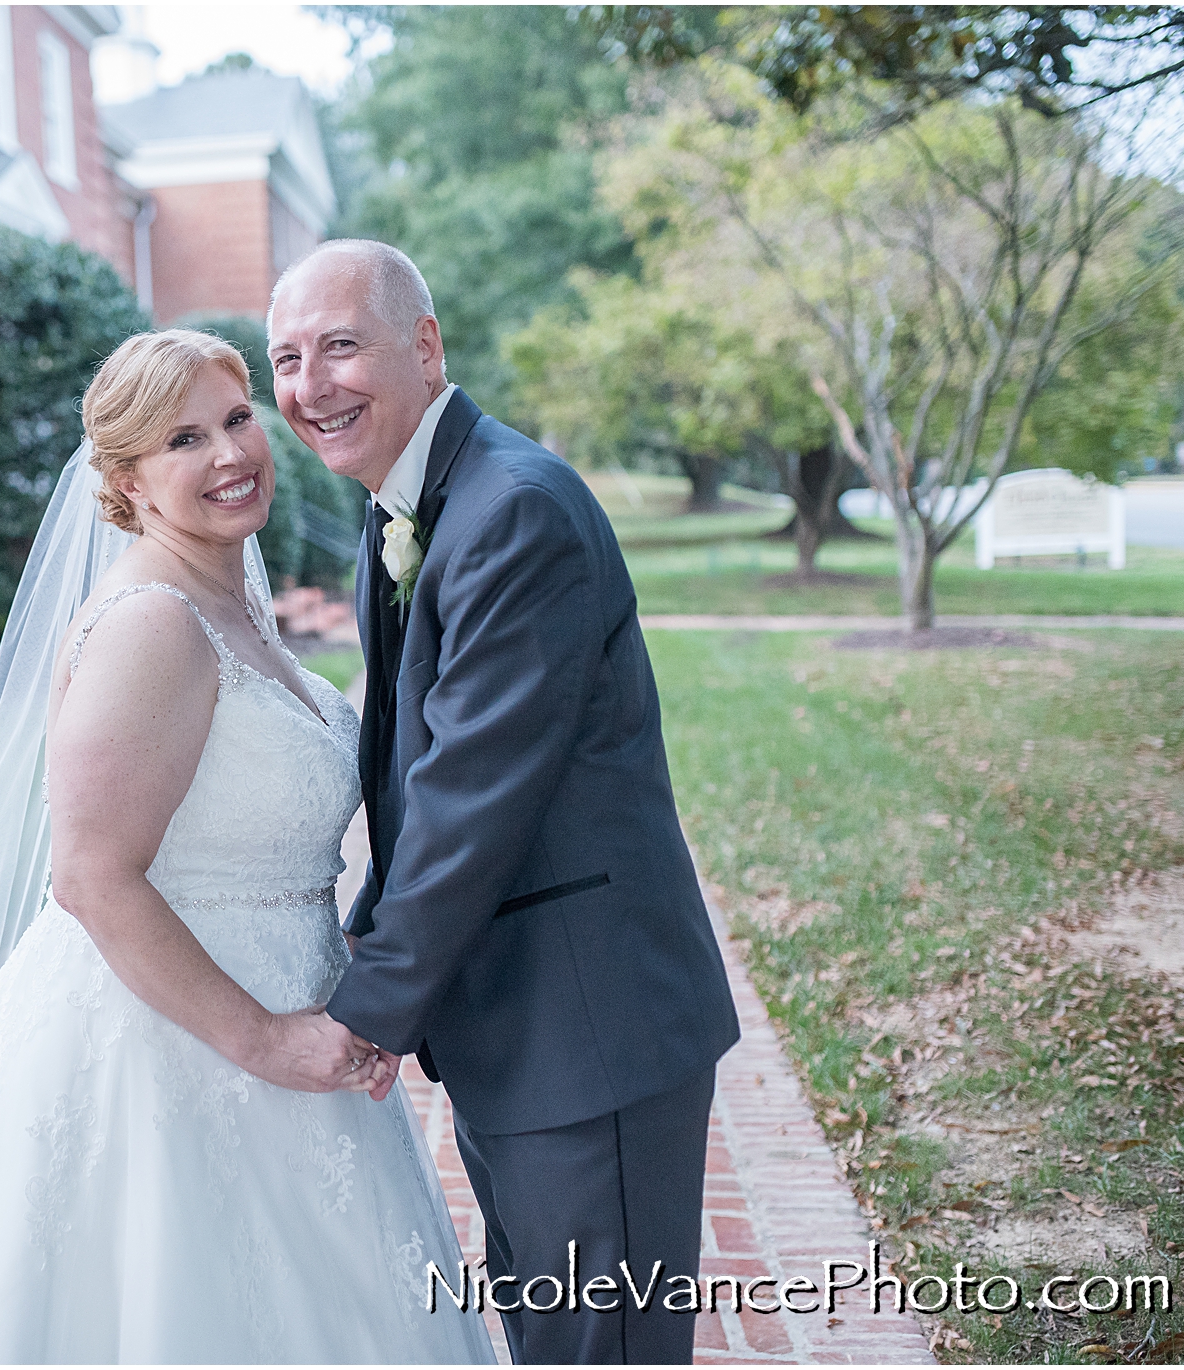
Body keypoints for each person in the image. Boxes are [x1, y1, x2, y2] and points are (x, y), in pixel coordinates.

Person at [0, 329, 493, 1364]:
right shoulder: (153, 622)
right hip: (175, 1047)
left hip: (297, 1017)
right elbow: (90, 874)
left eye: (236, 418)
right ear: (125, 480)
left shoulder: (232, 600)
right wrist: (264, 1041)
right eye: (183, 437)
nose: (230, 453)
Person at [266, 241, 742, 1365]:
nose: (308, 384)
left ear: (424, 347)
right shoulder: (412, 506)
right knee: (553, 1336)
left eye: (339, 345)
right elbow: (417, 782)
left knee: (600, 1349)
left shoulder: (509, 510)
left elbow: (468, 797)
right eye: (285, 358)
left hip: (589, 1029)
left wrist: (363, 1004)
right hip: (516, 1023)